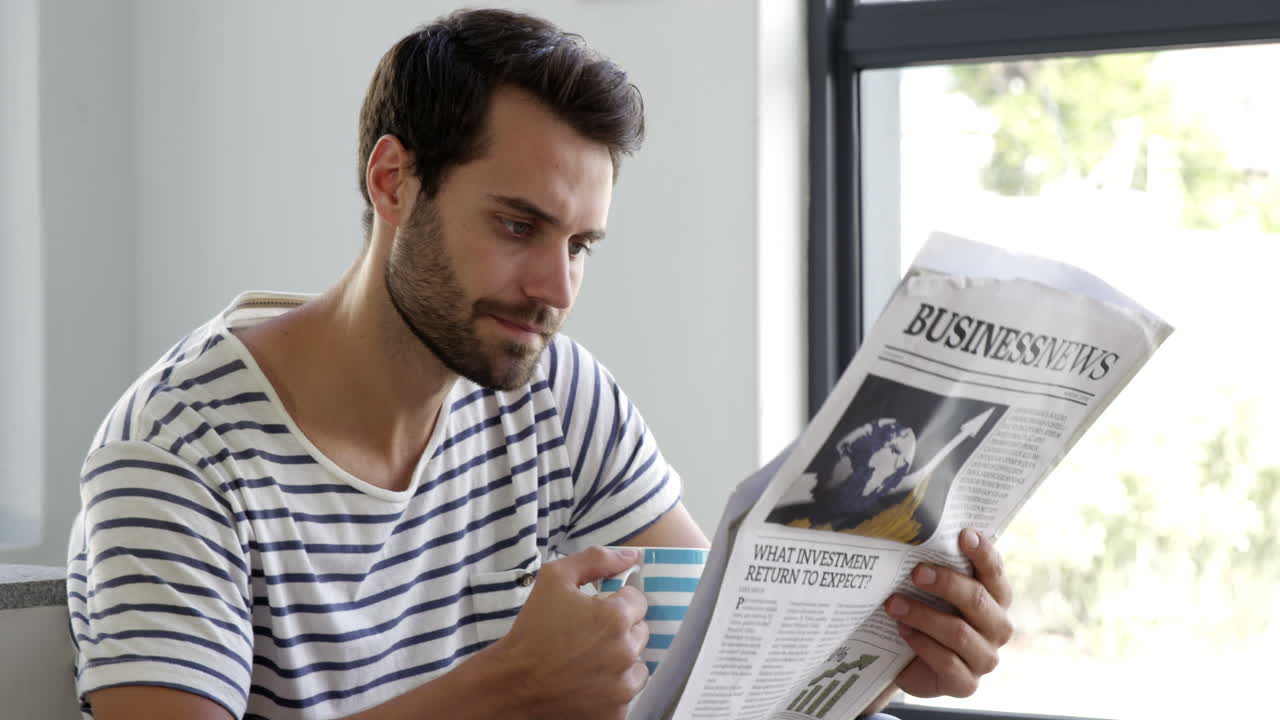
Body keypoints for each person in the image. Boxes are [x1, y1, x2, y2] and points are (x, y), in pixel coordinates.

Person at [66, 8, 1013, 720]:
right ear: (394, 182)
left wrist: (886, 651)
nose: (555, 289)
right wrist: (505, 688)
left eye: (583, 245)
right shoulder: (176, 455)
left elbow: (719, 658)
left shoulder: (557, 395)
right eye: (519, 226)